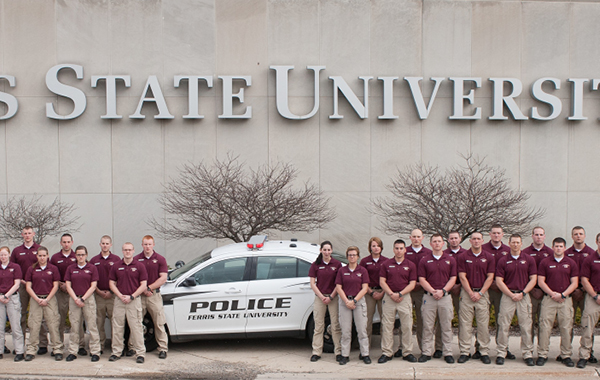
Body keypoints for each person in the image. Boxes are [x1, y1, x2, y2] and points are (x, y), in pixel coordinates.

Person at [494, 234, 537, 366]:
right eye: (513, 242)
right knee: (503, 325)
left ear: (521, 244)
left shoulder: (529, 259)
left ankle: (527, 353)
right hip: (508, 296)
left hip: (523, 296)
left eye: (518, 242)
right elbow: (499, 280)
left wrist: (523, 293)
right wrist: (510, 294)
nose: (515, 245)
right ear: (509, 243)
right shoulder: (503, 260)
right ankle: (502, 352)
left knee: (525, 326)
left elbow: (533, 279)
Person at [536, 237, 578, 367]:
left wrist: (563, 294)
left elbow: (575, 283)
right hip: (549, 300)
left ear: (565, 248)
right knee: (544, 328)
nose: (558, 248)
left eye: (561, 246)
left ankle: (566, 355)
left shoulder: (571, 263)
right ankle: (542, 354)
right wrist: (552, 294)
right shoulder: (545, 262)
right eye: (556, 246)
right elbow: (541, 281)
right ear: (552, 247)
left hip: (565, 300)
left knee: (566, 328)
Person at [417, 233, 457, 364]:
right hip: (429, 297)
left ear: (443, 243)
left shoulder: (450, 259)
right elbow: (421, 279)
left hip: (445, 297)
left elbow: (453, 278)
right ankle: (426, 352)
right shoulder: (424, 260)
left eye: (439, 241)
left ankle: (448, 352)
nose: (437, 244)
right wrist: (432, 291)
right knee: (427, 327)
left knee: (446, 326)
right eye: (434, 241)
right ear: (430, 244)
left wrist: (443, 290)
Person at [456, 232, 495, 364]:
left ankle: (483, 351)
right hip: (467, 295)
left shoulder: (489, 257)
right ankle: (465, 351)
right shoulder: (463, 256)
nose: (476, 241)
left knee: (483, 325)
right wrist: (470, 292)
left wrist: (480, 293)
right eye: (474, 239)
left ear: (483, 241)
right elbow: (462, 276)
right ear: (470, 241)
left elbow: (490, 277)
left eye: (479, 239)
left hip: (482, 295)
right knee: (465, 324)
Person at [378, 239, 417, 363]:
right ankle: (387, 352)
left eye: (401, 248)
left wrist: (400, 294)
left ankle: (407, 352)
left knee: (406, 326)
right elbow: (382, 281)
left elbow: (412, 283)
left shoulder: (410, 265)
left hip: (404, 298)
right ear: (393, 249)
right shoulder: (386, 264)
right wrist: (391, 294)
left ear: (405, 249)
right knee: (387, 326)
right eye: (396, 248)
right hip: (389, 298)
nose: (399, 251)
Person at [108, 242, 148, 364]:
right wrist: (120, 295)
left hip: (134, 301)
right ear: (122, 251)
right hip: (119, 301)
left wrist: (132, 296)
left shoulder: (140, 266)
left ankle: (140, 353)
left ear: (134, 251)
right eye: (125, 250)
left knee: (136, 327)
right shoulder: (116, 266)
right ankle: (116, 352)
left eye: (129, 250)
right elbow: (111, 283)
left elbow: (144, 285)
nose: (127, 252)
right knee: (117, 327)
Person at [10, 226, 47, 354]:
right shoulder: (16, 251)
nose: (27, 235)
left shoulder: (39, 249)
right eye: (25, 233)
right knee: (21, 315)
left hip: (37, 286)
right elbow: (12, 268)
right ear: (22, 235)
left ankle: (42, 344)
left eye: (29, 233)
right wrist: (21, 280)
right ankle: (21, 345)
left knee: (40, 316)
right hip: (21, 285)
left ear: (33, 234)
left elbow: (45, 265)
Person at [24, 246, 63, 361]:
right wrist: (37, 299)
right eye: (40, 256)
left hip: (49, 299)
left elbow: (56, 285)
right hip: (36, 299)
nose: (42, 258)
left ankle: (57, 349)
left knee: (53, 324)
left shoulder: (53, 269)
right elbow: (28, 286)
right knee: (34, 325)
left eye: (44, 255)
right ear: (37, 256)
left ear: (47, 256)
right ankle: (31, 350)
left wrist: (47, 299)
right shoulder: (31, 269)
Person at [479, 224, 512, 360]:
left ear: (502, 234)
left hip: (502, 291)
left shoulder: (508, 250)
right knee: (483, 320)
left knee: (502, 320)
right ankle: (480, 347)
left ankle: (503, 348)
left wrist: (500, 284)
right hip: (486, 290)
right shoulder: (483, 248)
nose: (496, 235)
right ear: (490, 234)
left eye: (499, 233)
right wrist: (489, 284)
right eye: (494, 233)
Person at [133, 236, 168, 359]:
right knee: (136, 323)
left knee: (159, 323)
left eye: (149, 244)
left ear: (153, 245)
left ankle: (163, 348)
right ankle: (133, 348)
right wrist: (143, 290)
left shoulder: (160, 259)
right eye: (145, 244)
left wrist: (149, 288)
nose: (147, 247)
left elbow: (163, 278)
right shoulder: (136, 259)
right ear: (141, 245)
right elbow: (133, 278)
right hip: (140, 296)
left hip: (154, 296)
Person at [65, 245, 102, 362]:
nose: (80, 257)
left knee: (92, 326)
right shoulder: (71, 268)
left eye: (82, 254)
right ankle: (73, 351)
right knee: (75, 326)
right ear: (75, 256)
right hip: (74, 299)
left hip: (88, 299)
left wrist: (83, 299)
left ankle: (95, 351)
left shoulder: (92, 268)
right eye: (78, 254)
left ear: (86, 255)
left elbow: (93, 286)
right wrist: (76, 298)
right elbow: (68, 285)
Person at [50, 233, 85, 355]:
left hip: (75, 292)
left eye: (68, 242)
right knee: (59, 319)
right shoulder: (55, 258)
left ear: (72, 242)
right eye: (64, 242)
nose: (66, 244)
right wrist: (61, 284)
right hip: (60, 292)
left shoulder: (77, 256)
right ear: (61, 243)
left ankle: (80, 345)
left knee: (77, 320)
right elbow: (52, 273)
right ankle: (58, 346)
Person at [565, 226, 596, 362]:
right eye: (575, 234)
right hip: (570, 294)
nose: (578, 236)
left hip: (586, 294)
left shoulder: (591, 253)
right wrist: (573, 290)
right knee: (567, 324)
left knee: (588, 325)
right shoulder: (566, 253)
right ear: (572, 236)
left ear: (585, 236)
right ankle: (566, 352)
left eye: (581, 234)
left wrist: (583, 290)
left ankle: (589, 352)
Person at [308, 240, 342, 362]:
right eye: (324, 250)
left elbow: (338, 284)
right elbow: (312, 283)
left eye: (328, 250)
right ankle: (316, 352)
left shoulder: (337, 264)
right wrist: (322, 296)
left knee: (335, 325)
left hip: (333, 297)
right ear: (321, 250)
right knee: (318, 326)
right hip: (320, 298)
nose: (326, 252)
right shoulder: (315, 265)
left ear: (331, 251)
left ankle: (338, 352)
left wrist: (331, 297)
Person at [335, 246, 370, 365]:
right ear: (347, 257)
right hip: (345, 302)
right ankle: (345, 355)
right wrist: (346, 302)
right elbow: (338, 287)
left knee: (361, 330)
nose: (352, 257)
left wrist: (354, 301)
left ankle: (365, 354)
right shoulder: (342, 270)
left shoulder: (362, 271)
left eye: (354, 255)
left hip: (358, 302)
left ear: (358, 257)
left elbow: (365, 288)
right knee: (345, 331)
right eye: (350, 255)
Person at [90, 235, 120, 352]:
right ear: (100, 244)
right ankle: (100, 346)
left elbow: (119, 278)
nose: (105, 245)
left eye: (107, 243)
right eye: (103, 243)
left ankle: (115, 346)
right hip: (99, 295)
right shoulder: (94, 260)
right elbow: (91, 279)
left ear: (111, 245)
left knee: (115, 322)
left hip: (113, 296)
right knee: (99, 322)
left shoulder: (117, 259)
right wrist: (99, 291)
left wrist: (112, 292)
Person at [404, 229, 432, 353]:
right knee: (405, 321)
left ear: (423, 238)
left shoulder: (428, 253)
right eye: (414, 236)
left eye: (418, 236)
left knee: (422, 320)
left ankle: (423, 348)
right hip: (407, 291)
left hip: (422, 291)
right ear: (410, 238)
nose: (416, 239)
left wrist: (422, 284)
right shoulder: (404, 252)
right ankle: (403, 347)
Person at [521, 227, 553, 335]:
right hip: (530, 293)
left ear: (544, 236)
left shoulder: (551, 253)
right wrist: (531, 289)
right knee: (528, 322)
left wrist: (545, 290)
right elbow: (523, 274)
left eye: (541, 235)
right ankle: (528, 349)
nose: (539, 237)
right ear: (532, 236)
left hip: (546, 293)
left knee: (544, 323)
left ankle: (541, 350)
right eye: (536, 234)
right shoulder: (524, 253)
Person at [576, 232, 600, 369]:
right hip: (593, 297)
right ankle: (584, 355)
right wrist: (595, 296)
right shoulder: (589, 259)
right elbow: (584, 279)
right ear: (597, 242)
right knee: (587, 328)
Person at [359, 237, 388, 347]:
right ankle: (366, 347)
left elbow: (389, 279)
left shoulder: (386, 261)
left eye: (378, 246)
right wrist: (371, 292)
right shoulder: (365, 261)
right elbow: (361, 279)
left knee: (385, 321)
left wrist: (382, 293)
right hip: (368, 292)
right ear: (370, 247)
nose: (376, 248)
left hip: (383, 292)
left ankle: (385, 347)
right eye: (374, 246)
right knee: (367, 320)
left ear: (381, 247)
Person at [0, 246, 25, 361]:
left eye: (5, 254)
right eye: (1, 255)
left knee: (15, 327)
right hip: (0, 299)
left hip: (12, 298)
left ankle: (19, 351)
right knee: (0, 327)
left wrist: (6, 295)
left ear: (9, 255)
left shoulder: (15, 267)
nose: (3, 257)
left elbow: (17, 284)